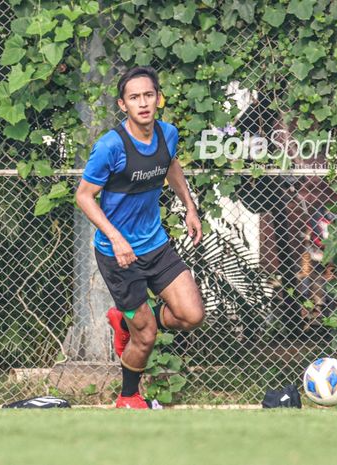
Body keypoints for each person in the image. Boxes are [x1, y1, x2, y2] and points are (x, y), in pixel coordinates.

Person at [75, 66, 205, 409]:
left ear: (158, 99)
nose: (143, 103)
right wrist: (116, 238)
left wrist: (190, 208)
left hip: (156, 245)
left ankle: (126, 320)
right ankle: (128, 397)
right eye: (135, 97)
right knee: (145, 336)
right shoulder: (110, 147)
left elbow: (170, 166)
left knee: (191, 315)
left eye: (149, 95)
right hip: (118, 254)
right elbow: (84, 196)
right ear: (123, 105)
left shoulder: (168, 135)